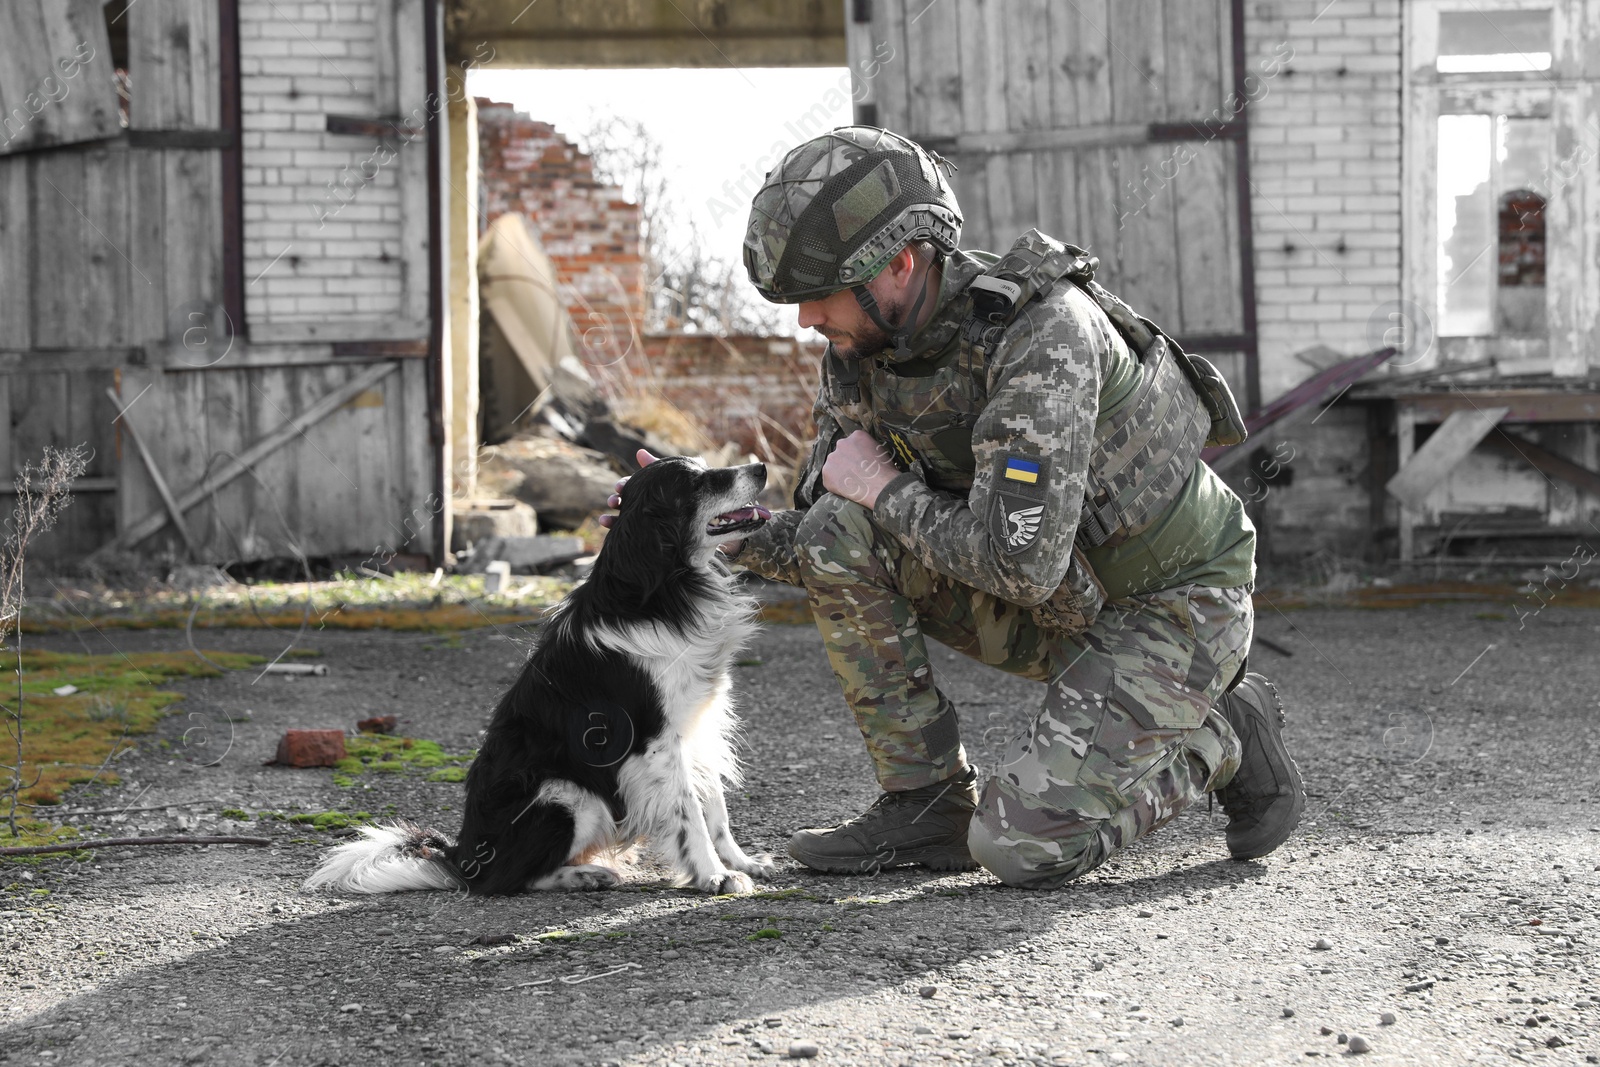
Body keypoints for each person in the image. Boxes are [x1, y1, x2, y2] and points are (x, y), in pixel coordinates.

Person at [612, 127, 1304, 889]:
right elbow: (824, 536)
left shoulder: (1042, 335)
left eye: (818, 294)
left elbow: (1021, 565)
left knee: (1022, 848)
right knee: (842, 530)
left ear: (900, 263)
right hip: (1069, 597)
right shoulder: (862, 352)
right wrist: (710, 531)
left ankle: (1220, 735)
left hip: (1172, 605)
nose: (806, 318)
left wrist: (885, 489)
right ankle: (926, 803)